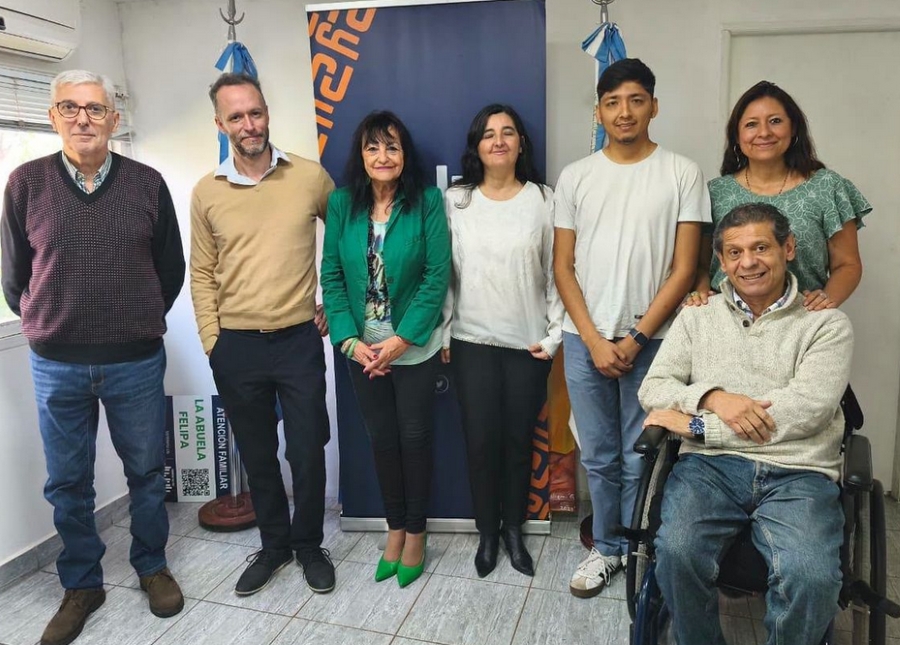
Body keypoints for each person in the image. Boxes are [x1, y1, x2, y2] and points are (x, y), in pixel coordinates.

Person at [0, 69, 185, 645]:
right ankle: (82, 584)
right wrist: (48, 323)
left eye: (95, 108)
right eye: (70, 107)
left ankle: (151, 566)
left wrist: (136, 320)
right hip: (55, 362)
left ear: (113, 118)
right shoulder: (25, 183)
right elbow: (14, 275)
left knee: (147, 472)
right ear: (53, 116)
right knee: (68, 481)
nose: (83, 118)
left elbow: (170, 269)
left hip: (135, 359)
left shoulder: (147, 183)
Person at [638, 203, 854, 645]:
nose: (748, 262)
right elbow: (654, 387)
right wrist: (715, 398)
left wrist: (701, 427)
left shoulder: (826, 324)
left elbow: (808, 409)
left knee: (812, 576)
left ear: (788, 248)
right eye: (735, 252)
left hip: (800, 472)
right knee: (676, 553)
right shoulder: (697, 316)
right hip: (710, 468)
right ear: (721, 260)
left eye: (761, 248)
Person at [553, 58, 711, 598]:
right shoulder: (576, 176)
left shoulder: (682, 173)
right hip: (585, 341)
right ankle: (607, 548)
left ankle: (638, 549)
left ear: (654, 106)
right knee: (598, 454)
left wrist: (636, 337)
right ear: (598, 111)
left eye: (636, 100)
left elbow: (685, 268)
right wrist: (594, 340)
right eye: (613, 102)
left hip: (655, 341)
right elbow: (562, 266)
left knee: (641, 451)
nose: (624, 112)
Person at [190, 72, 335, 597]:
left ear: (267, 112)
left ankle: (309, 544)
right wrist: (213, 342)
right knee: (257, 452)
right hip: (237, 345)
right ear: (220, 123)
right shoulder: (207, 192)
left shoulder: (310, 177)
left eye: (255, 112)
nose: (248, 124)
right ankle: (274, 546)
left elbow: (346, 241)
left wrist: (332, 304)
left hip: (298, 339)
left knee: (308, 449)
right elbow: (201, 272)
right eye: (236, 116)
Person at [321, 110, 450, 588]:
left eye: (392, 147)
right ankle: (394, 528)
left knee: (414, 440)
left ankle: (416, 533)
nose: (382, 156)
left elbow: (437, 275)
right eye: (373, 147)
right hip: (361, 351)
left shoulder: (427, 201)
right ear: (361, 155)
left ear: (404, 154)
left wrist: (400, 341)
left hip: (411, 347)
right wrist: (349, 341)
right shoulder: (342, 204)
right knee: (382, 441)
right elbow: (332, 275)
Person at [441, 104, 562, 578]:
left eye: (508, 132)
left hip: (527, 346)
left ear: (520, 144)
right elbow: (445, 276)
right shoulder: (457, 200)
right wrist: (444, 331)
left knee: (517, 444)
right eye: (488, 134)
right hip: (471, 342)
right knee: (480, 444)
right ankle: (487, 535)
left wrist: (553, 337)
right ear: (476, 145)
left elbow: (557, 272)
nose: (498, 141)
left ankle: (514, 531)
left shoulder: (543, 199)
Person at [687, 80, 871, 310]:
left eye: (775, 121)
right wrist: (701, 294)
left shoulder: (827, 186)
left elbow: (847, 264)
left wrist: (823, 304)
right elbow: (700, 265)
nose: (764, 132)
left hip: (802, 318)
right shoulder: (714, 192)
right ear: (736, 135)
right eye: (751, 124)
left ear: (793, 128)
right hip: (728, 319)